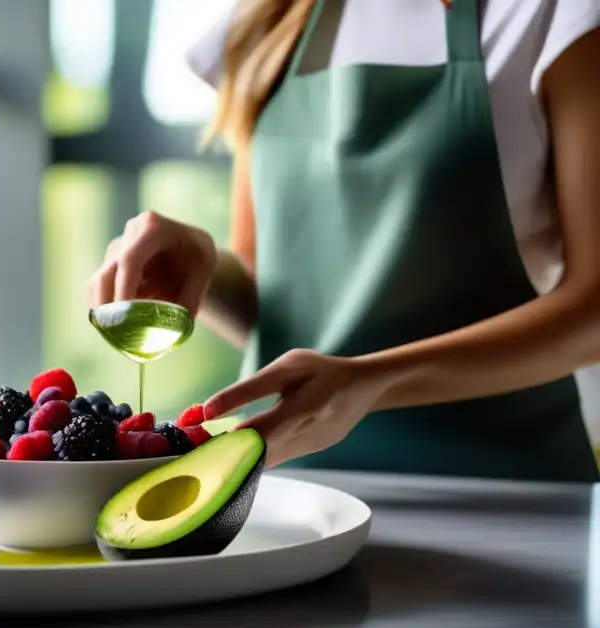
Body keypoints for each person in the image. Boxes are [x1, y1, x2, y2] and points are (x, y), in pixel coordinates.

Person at [87, 0, 600, 482]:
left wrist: (372, 381)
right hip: (296, 493)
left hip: (506, 494)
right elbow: (275, 302)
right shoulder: (268, 23)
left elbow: (594, 310)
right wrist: (201, 266)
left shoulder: (554, 15)